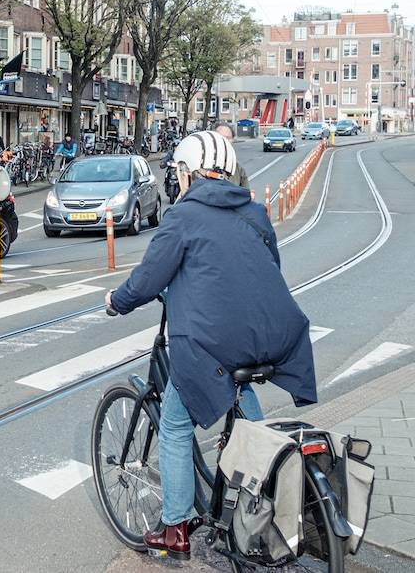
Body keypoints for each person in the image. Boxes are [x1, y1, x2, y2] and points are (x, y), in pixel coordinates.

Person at [104, 131, 317, 561]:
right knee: (241, 390)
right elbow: (266, 267)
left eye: (178, 173)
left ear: (187, 173)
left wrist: (116, 301)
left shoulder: (183, 215)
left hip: (209, 342)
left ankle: (175, 529)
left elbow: (147, 279)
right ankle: (264, 481)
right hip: (266, 336)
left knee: (175, 424)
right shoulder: (254, 211)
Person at [213, 123, 250, 189]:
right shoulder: (201, 165)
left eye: (228, 138)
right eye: (221, 137)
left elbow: (245, 193)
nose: (225, 141)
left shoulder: (237, 168)